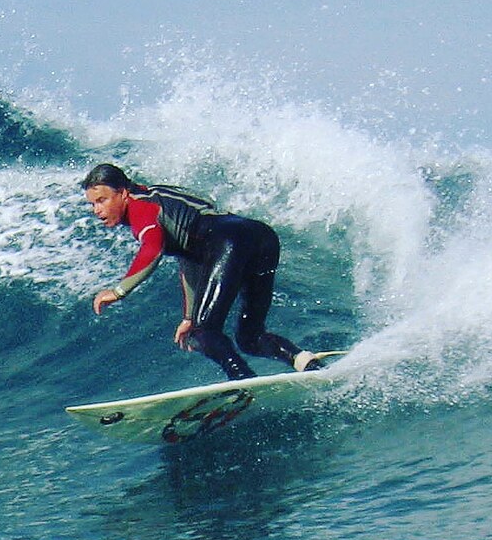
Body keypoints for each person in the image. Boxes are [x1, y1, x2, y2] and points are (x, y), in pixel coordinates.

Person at [82, 163, 322, 381]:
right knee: (249, 337)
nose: (97, 210)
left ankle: (243, 380)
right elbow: (190, 256)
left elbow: (153, 248)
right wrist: (189, 316)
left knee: (203, 333)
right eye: (92, 204)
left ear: (123, 192)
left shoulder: (141, 208)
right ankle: (304, 361)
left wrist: (118, 291)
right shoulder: (159, 195)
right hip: (260, 237)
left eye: (102, 200)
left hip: (228, 242)